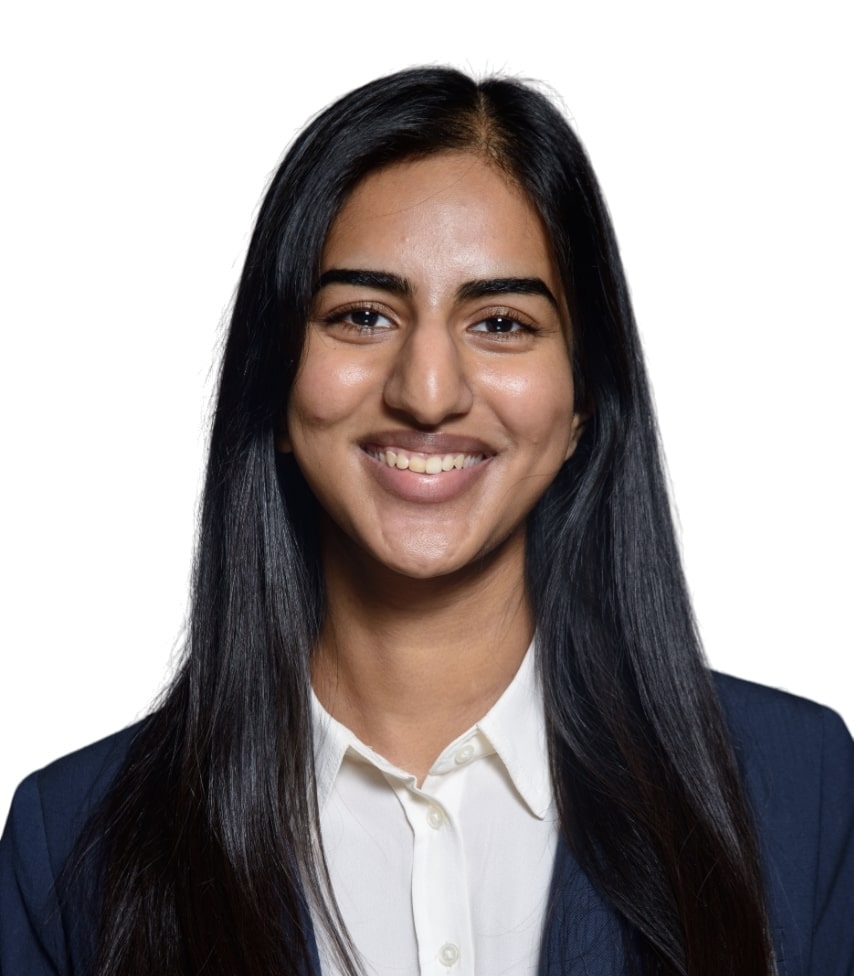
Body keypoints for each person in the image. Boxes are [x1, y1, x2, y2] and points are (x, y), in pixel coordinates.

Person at [0, 66, 851, 976]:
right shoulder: (73, 846)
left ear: (582, 404)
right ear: (275, 379)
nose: (428, 392)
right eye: (363, 315)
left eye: (502, 322)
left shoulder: (800, 792)